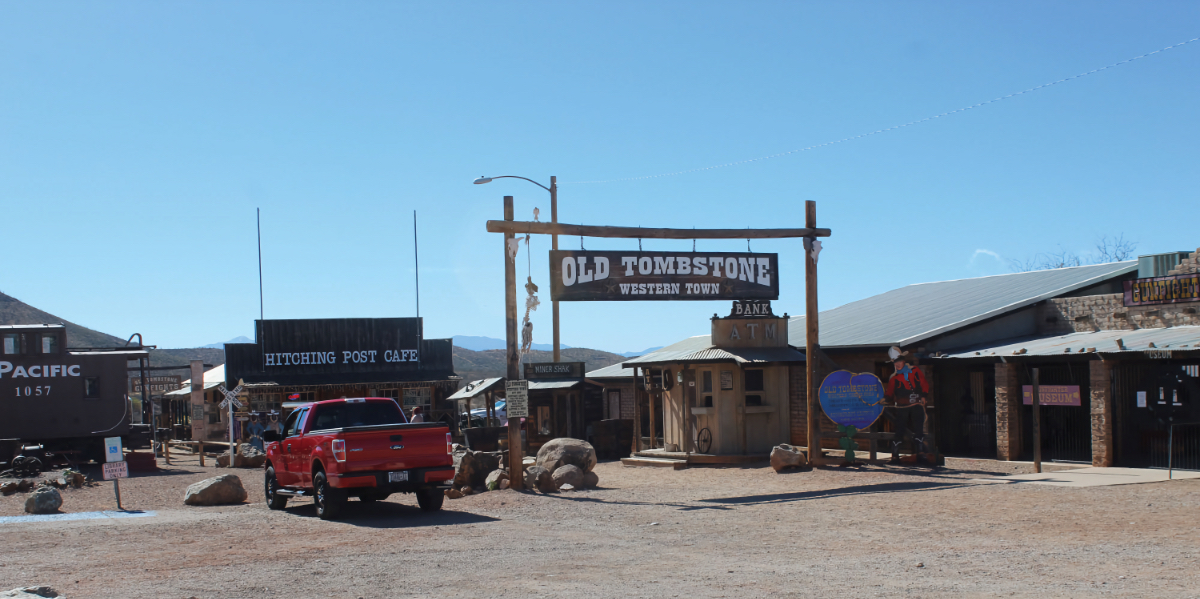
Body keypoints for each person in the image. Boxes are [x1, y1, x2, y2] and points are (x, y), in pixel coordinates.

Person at [883, 346, 930, 465]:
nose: (897, 364)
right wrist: (885, 399)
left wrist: (924, 395)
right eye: (895, 362)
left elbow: (924, 383)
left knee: (918, 428)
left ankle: (920, 454)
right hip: (902, 406)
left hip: (916, 403)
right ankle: (895, 455)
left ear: (903, 361)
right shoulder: (893, 378)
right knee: (899, 429)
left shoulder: (915, 371)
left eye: (898, 361)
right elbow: (890, 392)